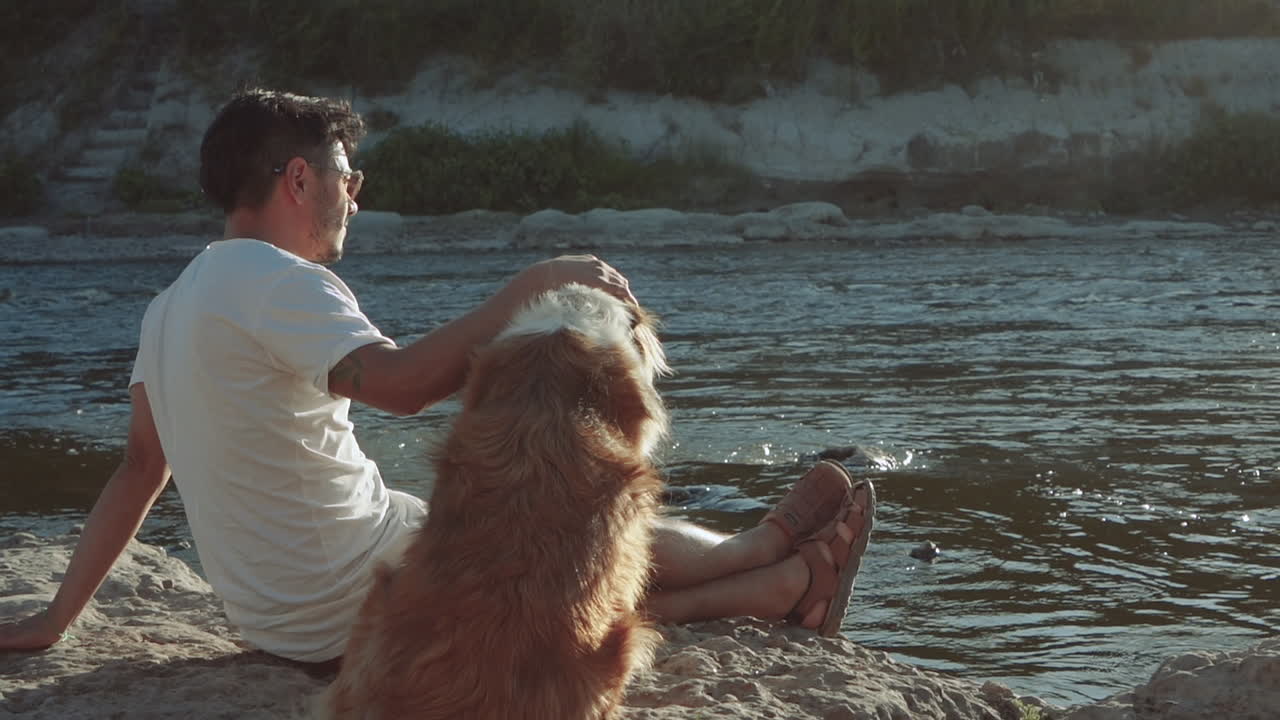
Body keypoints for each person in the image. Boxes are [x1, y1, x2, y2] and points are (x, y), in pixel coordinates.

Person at [0, 89, 873, 663]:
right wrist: (528, 291)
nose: (357, 194)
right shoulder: (274, 281)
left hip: (277, 615)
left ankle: (760, 559)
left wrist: (56, 620)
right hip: (350, 596)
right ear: (300, 179)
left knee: (517, 515)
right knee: (553, 528)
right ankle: (774, 580)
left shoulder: (171, 304)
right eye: (350, 175)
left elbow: (138, 471)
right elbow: (405, 385)